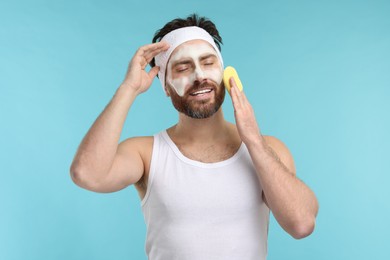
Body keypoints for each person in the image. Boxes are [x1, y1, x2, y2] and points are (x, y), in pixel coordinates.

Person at [70, 14, 319, 260]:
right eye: (183, 67)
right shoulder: (146, 153)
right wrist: (128, 89)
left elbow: (302, 224)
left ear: (224, 73)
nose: (199, 75)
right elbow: (87, 174)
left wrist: (253, 140)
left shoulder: (267, 149)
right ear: (165, 87)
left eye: (208, 62)